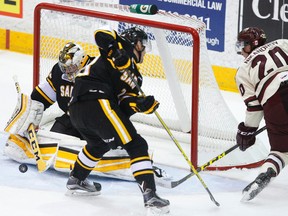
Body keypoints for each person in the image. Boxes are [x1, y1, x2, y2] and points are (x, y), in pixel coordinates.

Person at [3, 42, 169, 182]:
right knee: (54, 137)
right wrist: (31, 118)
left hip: (100, 121)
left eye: (72, 67)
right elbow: (39, 97)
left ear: (82, 60)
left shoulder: (98, 70)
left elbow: (121, 106)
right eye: (65, 69)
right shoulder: (60, 72)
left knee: (111, 147)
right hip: (72, 119)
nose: (68, 73)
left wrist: (136, 105)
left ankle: (135, 164)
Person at [66, 27, 170, 212]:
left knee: (98, 145)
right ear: (136, 43)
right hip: (95, 99)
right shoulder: (122, 45)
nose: (145, 51)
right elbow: (100, 33)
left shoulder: (136, 77)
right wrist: (116, 51)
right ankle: (150, 196)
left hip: (80, 109)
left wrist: (140, 104)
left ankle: (76, 179)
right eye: (143, 46)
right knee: (137, 145)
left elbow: (123, 104)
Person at [235, 27, 288, 201]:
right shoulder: (282, 43)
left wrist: (247, 130)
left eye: (243, 44)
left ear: (251, 45)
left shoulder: (243, 70)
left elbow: (255, 108)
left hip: (275, 105)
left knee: (281, 152)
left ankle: (264, 176)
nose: (241, 49)